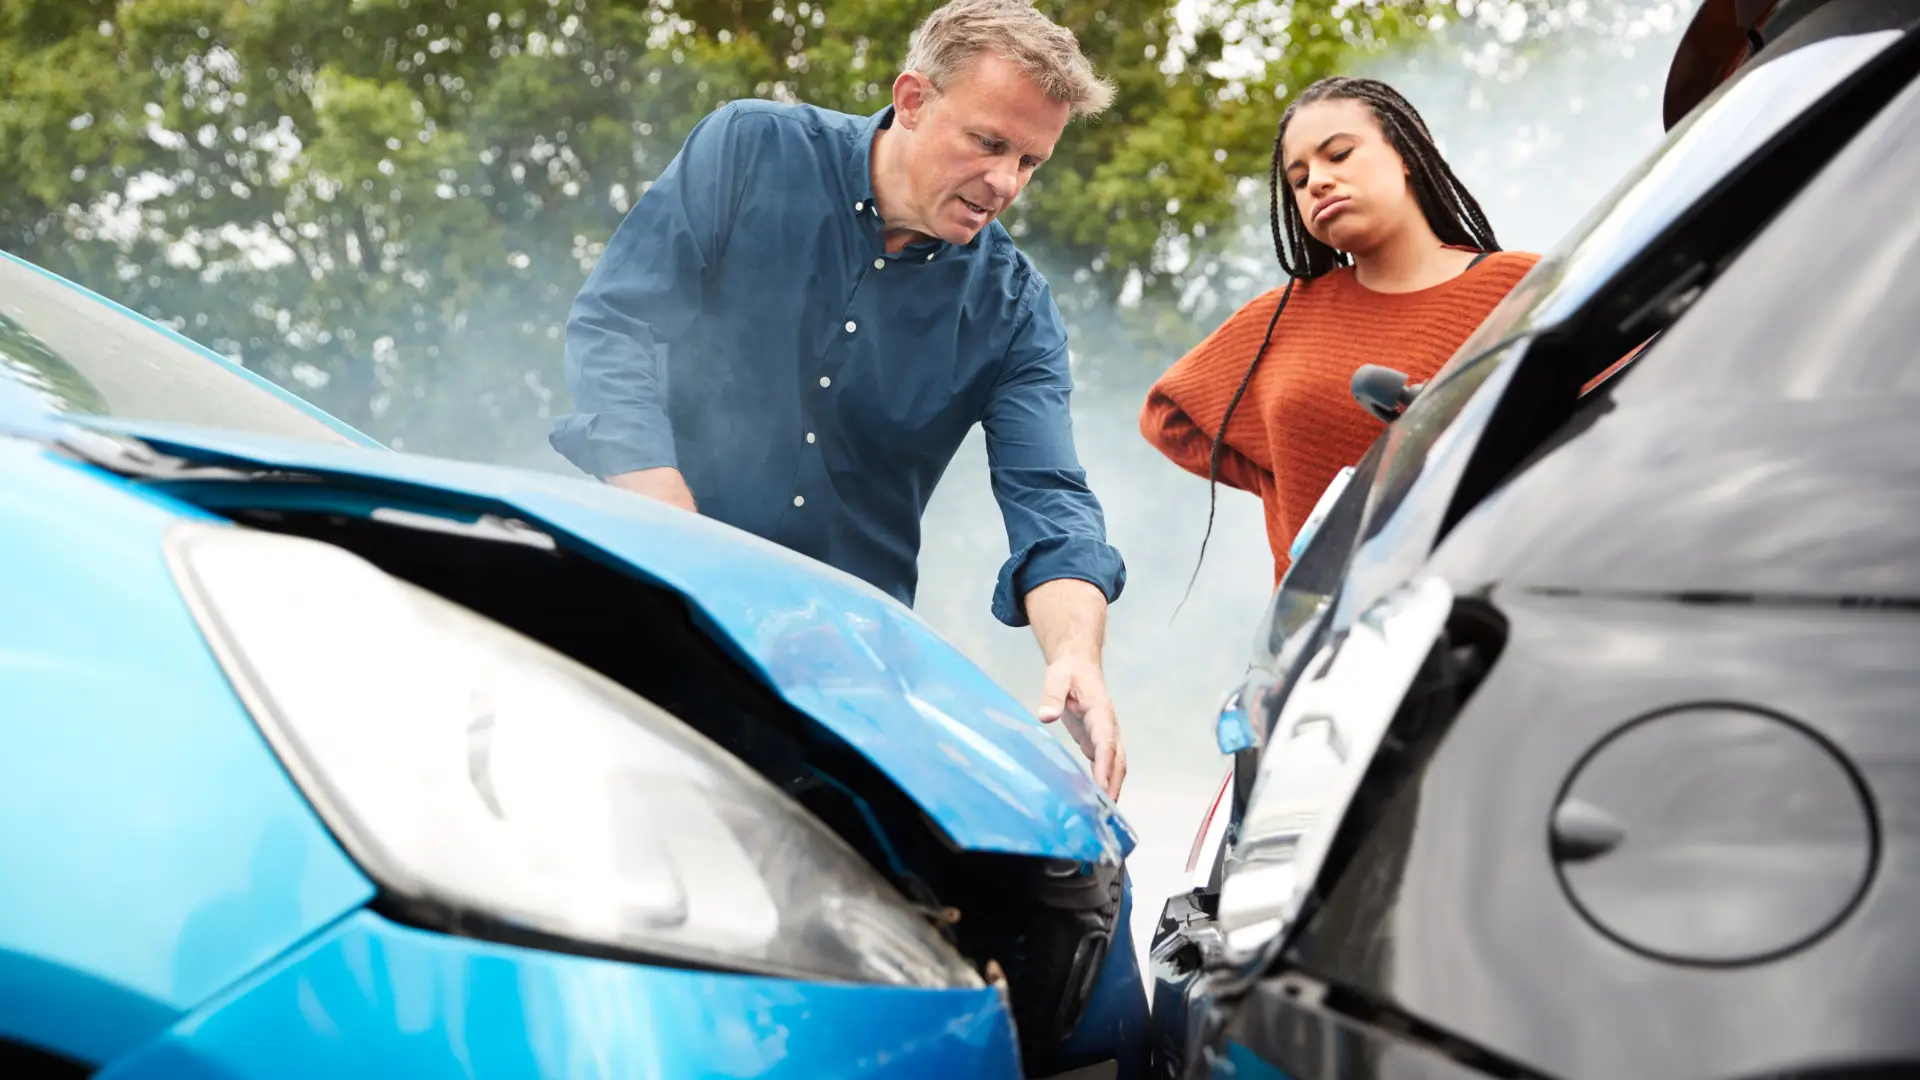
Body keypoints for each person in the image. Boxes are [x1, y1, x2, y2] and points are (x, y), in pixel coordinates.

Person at [552, 0, 1130, 798]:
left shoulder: (1015, 310)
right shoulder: (751, 148)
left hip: (835, 686)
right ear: (914, 99)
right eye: (989, 142)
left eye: (1031, 162)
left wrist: (1074, 656)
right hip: (643, 613)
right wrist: (680, 542)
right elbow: (614, 324)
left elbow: (1052, 502)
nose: (1005, 182)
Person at [1140, 77, 1541, 589]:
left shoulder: (1519, 287)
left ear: (1407, 152)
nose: (1318, 183)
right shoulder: (1282, 317)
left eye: (1340, 154)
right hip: (1322, 640)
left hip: (1493, 604)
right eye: (1300, 179)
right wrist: (1289, 476)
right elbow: (1167, 416)